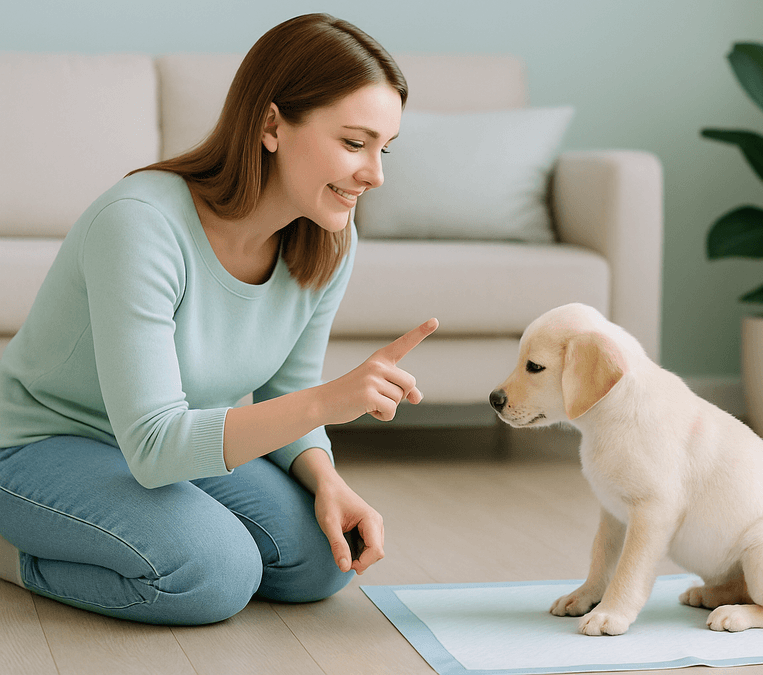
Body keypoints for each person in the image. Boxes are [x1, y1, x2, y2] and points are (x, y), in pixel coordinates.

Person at [0, 13, 436, 625]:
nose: (375, 174)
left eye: (383, 149)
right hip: (40, 444)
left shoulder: (327, 239)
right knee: (213, 572)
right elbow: (153, 445)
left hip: (173, 448)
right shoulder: (140, 224)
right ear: (271, 125)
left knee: (321, 559)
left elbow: (288, 389)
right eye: (354, 143)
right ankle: (15, 549)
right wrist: (330, 401)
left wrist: (327, 479)